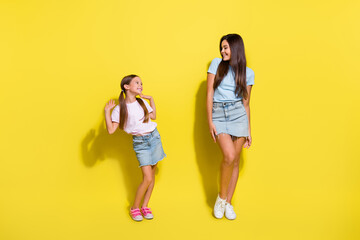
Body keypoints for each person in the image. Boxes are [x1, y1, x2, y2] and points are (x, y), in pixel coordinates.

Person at [104, 74, 166, 221]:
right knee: (147, 177)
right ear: (126, 87)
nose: (140, 85)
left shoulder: (143, 102)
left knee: (152, 176)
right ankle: (134, 208)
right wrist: (107, 112)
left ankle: (145, 206)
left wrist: (151, 99)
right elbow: (111, 130)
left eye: (141, 83)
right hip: (141, 143)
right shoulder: (120, 109)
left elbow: (154, 116)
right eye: (137, 82)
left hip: (154, 138)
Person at [206, 34, 255, 220]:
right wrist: (210, 120)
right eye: (221, 47)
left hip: (238, 115)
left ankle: (228, 203)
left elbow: (246, 103)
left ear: (236, 49)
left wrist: (249, 129)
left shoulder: (248, 73)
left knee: (235, 161)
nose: (222, 51)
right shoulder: (216, 64)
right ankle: (221, 198)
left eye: (226, 47)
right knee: (229, 155)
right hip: (219, 113)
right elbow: (209, 92)